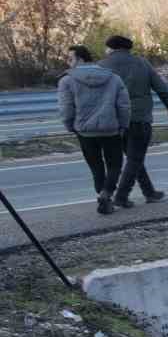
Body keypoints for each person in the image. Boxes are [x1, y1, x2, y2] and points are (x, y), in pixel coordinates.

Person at [100, 35, 168, 207]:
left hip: (112, 120)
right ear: (127, 48)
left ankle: (149, 192)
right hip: (138, 117)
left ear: (111, 48)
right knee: (135, 158)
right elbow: (161, 88)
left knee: (134, 158)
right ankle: (121, 196)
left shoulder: (102, 66)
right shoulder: (141, 63)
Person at [58, 45, 131, 215]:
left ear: (81, 59)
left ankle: (102, 194)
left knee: (95, 166)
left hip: (85, 132)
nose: (69, 63)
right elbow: (124, 105)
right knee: (115, 165)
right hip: (111, 129)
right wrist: (123, 125)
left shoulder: (66, 81)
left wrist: (70, 126)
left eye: (71, 59)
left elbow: (66, 108)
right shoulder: (113, 78)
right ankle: (107, 193)